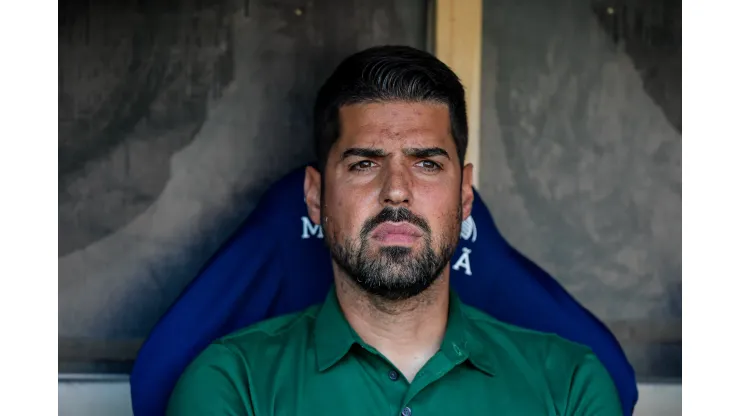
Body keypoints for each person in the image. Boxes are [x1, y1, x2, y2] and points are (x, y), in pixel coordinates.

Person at [167, 45, 623, 416]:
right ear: (314, 196)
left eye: (426, 164)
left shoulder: (569, 386)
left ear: (465, 195)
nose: (397, 192)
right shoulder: (233, 384)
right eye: (365, 163)